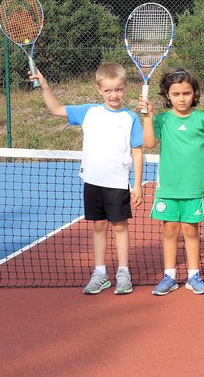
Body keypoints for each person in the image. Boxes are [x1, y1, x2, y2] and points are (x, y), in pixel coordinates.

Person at [31, 63, 143, 295]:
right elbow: (56, 109)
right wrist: (44, 86)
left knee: (120, 227)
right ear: (99, 89)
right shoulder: (88, 112)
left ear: (126, 88)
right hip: (92, 182)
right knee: (99, 227)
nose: (114, 95)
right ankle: (100, 273)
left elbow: (137, 151)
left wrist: (139, 184)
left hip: (118, 183)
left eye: (119, 89)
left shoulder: (130, 117)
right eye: (109, 90)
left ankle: (123, 273)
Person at [140, 68, 204, 296]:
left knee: (191, 231)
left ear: (194, 94)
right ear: (167, 95)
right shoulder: (162, 119)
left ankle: (193, 275)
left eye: (186, 93)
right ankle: (169, 275)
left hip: (193, 188)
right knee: (170, 231)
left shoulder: (203, 119)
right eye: (176, 93)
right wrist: (148, 118)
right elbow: (149, 143)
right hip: (168, 188)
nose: (182, 98)